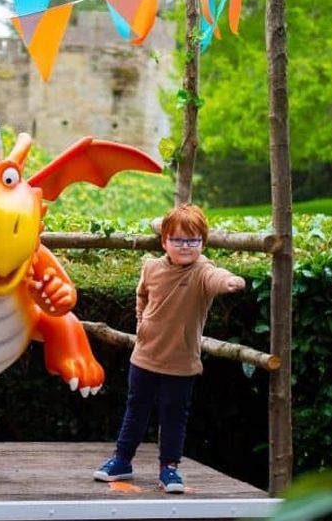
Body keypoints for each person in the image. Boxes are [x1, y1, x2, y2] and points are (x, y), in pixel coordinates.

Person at [93, 203, 246, 493]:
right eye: (178, 239)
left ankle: (170, 469)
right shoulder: (151, 267)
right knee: (135, 410)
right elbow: (142, 296)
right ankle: (122, 460)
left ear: (203, 242)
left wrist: (230, 281)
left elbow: (217, 277)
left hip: (181, 363)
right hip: (145, 357)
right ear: (165, 241)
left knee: (173, 415)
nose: (186, 246)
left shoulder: (203, 271)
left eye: (193, 240)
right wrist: (141, 323)